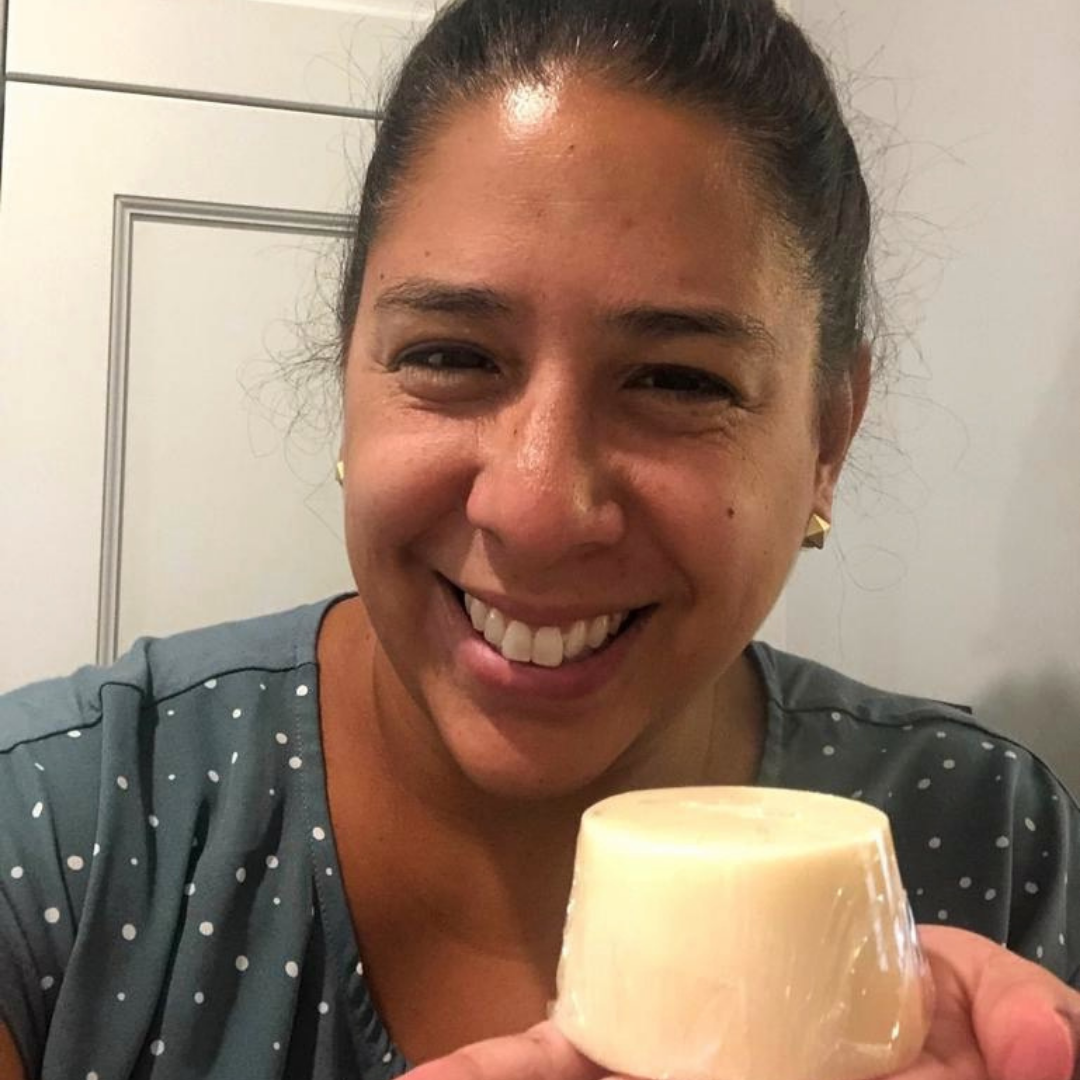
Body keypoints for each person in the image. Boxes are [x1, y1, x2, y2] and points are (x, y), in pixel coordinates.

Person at [1, 0, 1077, 1077]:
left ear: (828, 434)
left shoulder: (988, 837)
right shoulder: (60, 830)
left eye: (678, 380)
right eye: (450, 356)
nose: (536, 511)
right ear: (348, 377)